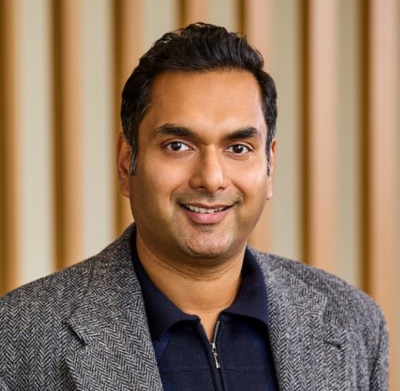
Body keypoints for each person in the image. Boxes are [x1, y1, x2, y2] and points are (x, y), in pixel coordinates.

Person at [0, 23, 388, 391]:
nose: (211, 178)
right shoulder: (18, 336)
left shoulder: (355, 322)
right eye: (178, 146)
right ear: (126, 161)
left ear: (269, 165)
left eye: (239, 148)